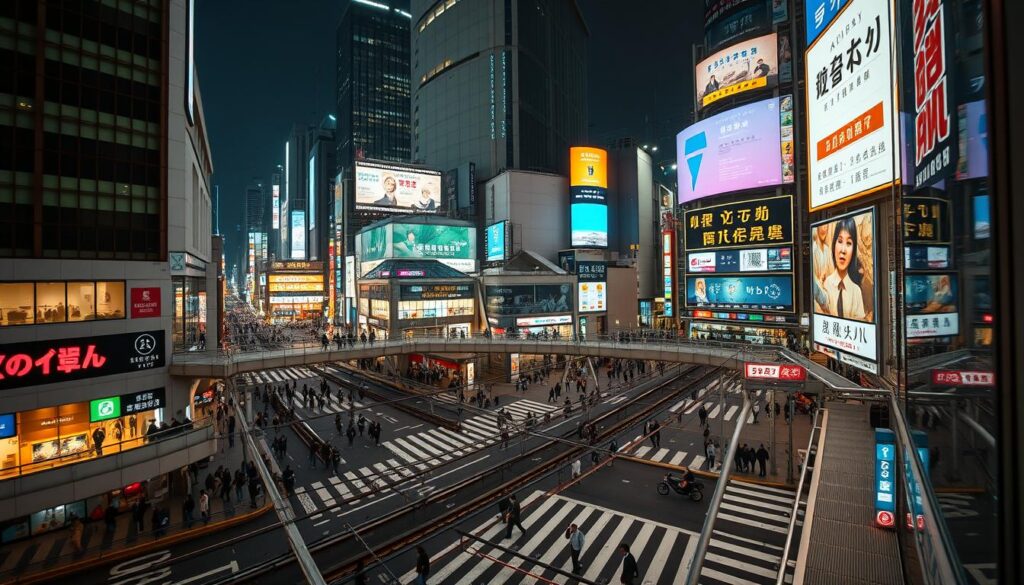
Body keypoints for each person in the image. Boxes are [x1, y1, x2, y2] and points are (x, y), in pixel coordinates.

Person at [819, 217, 867, 321]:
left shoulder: (856, 291)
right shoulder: (826, 284)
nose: (843, 250)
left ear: (853, 250)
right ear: (834, 245)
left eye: (849, 243)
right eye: (840, 241)